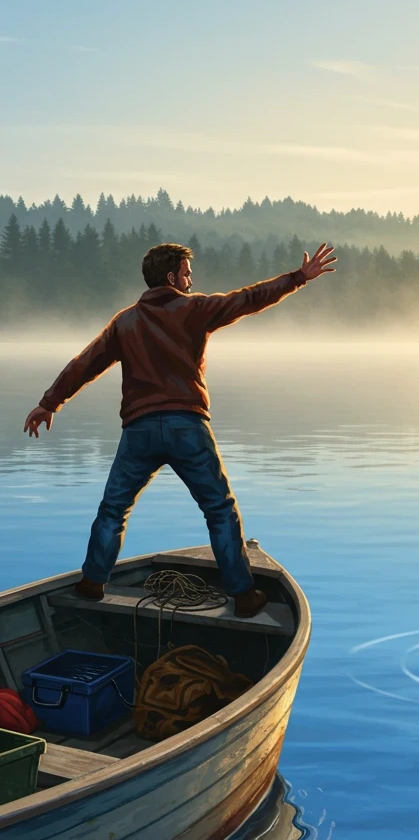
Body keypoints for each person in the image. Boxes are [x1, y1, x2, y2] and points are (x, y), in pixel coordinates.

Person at [23, 240, 337, 618]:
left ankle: (92, 582)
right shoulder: (195, 309)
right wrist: (298, 278)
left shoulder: (125, 321)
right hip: (187, 425)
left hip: (139, 430)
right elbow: (249, 299)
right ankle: (243, 595)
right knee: (220, 511)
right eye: (187, 273)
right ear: (172, 277)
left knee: (113, 510)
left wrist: (49, 403)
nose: (191, 279)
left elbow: (84, 364)